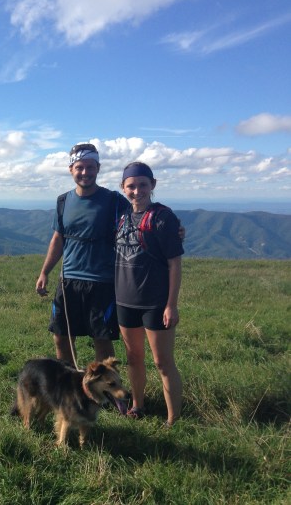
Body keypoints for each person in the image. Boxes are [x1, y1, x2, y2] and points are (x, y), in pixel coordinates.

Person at [35, 143, 129, 377]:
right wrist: (45, 272)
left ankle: (105, 389)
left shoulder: (114, 201)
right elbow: (58, 238)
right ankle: (69, 385)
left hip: (103, 281)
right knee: (61, 336)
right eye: (80, 167)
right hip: (68, 281)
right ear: (71, 169)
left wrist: (171, 228)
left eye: (90, 167)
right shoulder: (63, 201)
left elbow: (140, 216)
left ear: (98, 168)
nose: (85, 172)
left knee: (102, 338)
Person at [115, 161, 183, 427]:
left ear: (152, 185)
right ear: (123, 188)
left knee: (162, 361)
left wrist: (171, 304)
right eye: (131, 186)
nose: (136, 191)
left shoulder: (163, 217)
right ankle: (137, 405)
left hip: (155, 302)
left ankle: (173, 419)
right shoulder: (120, 215)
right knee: (133, 358)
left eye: (143, 185)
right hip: (124, 300)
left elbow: (174, 262)